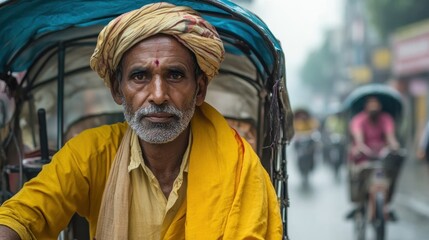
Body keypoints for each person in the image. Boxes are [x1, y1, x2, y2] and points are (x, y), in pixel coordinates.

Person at [0, 2, 282, 239]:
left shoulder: (238, 166)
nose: (158, 96)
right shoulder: (91, 155)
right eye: (140, 76)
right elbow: (26, 214)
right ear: (116, 90)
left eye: (175, 75)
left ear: (200, 90)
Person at [346, 95, 400, 220]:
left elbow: (391, 136)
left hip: (382, 158)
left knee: (390, 174)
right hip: (363, 158)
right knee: (357, 177)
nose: (373, 107)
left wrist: (394, 146)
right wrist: (360, 146)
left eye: (376, 104)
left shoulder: (386, 119)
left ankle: (385, 205)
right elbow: (358, 136)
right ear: (366, 107)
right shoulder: (359, 120)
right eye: (371, 104)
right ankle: (359, 204)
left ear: (380, 107)